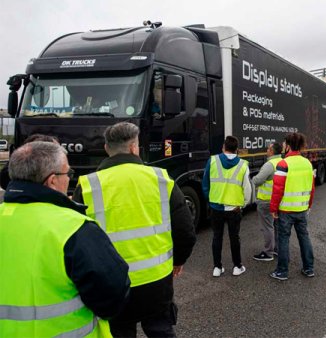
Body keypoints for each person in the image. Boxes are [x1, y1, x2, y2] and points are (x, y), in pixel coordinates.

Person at [73, 122, 196, 337]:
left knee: (120, 332)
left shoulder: (87, 186)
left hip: (112, 286)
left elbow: (78, 242)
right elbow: (185, 231)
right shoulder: (161, 179)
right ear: (133, 148)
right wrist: (178, 260)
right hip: (157, 282)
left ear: (106, 149)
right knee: (160, 330)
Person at [0, 141, 130, 337]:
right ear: (52, 180)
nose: (69, 179)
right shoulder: (76, 228)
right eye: (68, 174)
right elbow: (112, 295)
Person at [202, 136, 252, 277]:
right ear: (237, 149)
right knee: (234, 237)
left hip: (216, 207)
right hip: (234, 208)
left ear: (223, 147)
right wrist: (242, 204)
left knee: (217, 237)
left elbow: (205, 184)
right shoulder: (243, 165)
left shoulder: (212, 161)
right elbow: (247, 189)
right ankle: (237, 266)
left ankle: (217, 268)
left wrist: (210, 200)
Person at [269, 133, 316, 281]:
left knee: (283, 239)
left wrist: (273, 209)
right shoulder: (307, 163)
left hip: (286, 211)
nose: (283, 146)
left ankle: (282, 271)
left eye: (284, 144)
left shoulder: (283, 164)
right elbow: (312, 188)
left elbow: (277, 189)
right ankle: (309, 268)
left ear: (288, 145)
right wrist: (308, 205)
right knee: (304, 237)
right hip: (302, 210)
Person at [251, 142, 283, 261]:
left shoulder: (269, 164)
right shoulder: (282, 162)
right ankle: (276, 249)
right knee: (276, 226)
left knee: (267, 227)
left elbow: (258, 180)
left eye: (269, 149)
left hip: (266, 201)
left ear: (272, 151)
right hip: (278, 200)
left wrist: (251, 179)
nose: (267, 150)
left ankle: (268, 253)